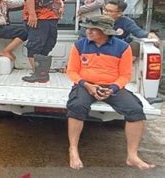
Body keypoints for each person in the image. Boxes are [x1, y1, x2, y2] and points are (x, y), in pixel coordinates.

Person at [66, 15, 154, 170]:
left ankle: (132, 155)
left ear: (105, 32)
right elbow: (72, 72)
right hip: (86, 84)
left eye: (94, 29)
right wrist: (87, 85)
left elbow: (125, 75)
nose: (89, 31)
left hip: (112, 86)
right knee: (77, 106)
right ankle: (73, 150)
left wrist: (112, 89)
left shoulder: (122, 47)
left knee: (135, 110)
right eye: (88, 28)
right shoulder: (79, 45)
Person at [22, 0, 65, 83]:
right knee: (35, 45)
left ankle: (42, 71)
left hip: (51, 17)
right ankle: (37, 73)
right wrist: (32, 15)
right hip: (38, 18)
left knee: (50, 43)